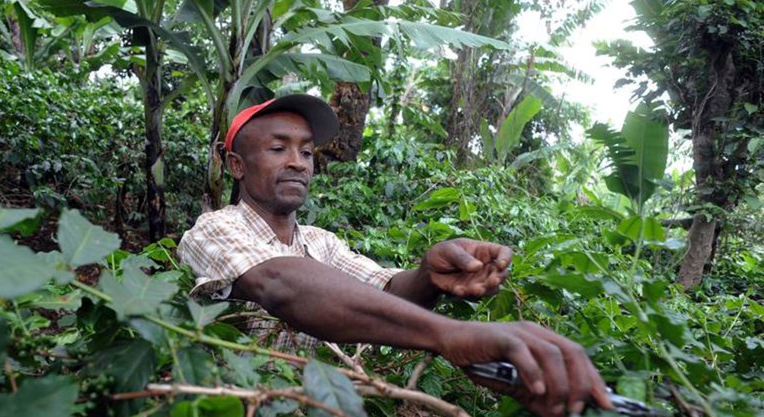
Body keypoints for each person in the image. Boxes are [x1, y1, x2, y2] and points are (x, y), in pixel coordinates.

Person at [177, 94, 613, 417]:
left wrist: (429, 274)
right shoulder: (213, 230)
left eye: (306, 151)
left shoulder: (321, 243)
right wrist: (451, 335)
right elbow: (281, 284)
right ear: (237, 165)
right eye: (278, 149)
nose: (298, 163)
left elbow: (385, 293)